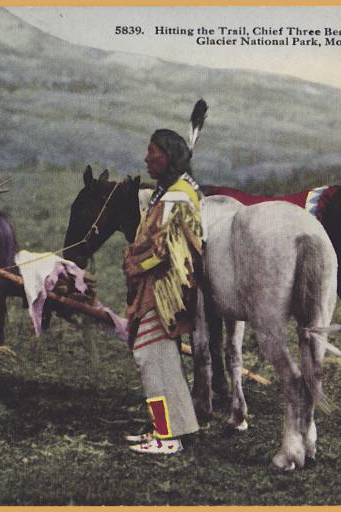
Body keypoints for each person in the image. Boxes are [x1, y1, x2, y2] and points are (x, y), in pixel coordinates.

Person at [122, 129, 203, 454]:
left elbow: (168, 246)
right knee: (160, 360)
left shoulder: (178, 196)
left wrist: (134, 260)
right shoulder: (171, 192)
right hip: (156, 288)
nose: (145, 158)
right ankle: (173, 427)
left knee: (150, 358)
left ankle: (167, 435)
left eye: (152, 151)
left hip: (164, 291)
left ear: (167, 156)